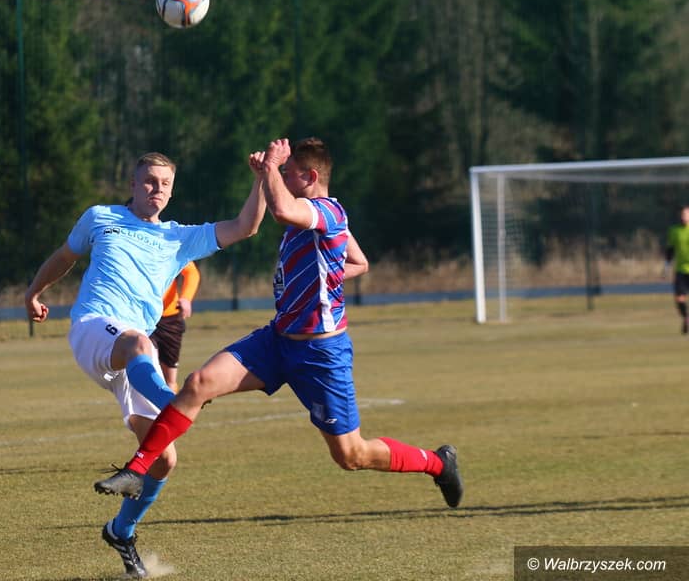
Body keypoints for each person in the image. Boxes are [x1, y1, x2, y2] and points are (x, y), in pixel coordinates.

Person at [94, 138, 464, 521]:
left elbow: (286, 212)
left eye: (289, 174)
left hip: (320, 354)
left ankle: (437, 463)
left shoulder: (326, 211)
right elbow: (358, 261)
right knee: (199, 383)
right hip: (276, 341)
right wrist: (323, 278)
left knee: (351, 454)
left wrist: (270, 166)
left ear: (311, 177)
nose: (283, 180)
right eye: (282, 174)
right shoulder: (313, 219)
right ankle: (137, 469)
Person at [24, 151, 266, 579]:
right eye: (150, 181)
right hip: (94, 328)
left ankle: (121, 531)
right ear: (133, 185)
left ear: (172, 192)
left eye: (165, 184)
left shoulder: (178, 238)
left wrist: (264, 178)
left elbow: (245, 226)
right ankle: (177, 401)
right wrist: (33, 292)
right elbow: (65, 256)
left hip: (137, 352)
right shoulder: (100, 217)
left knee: (164, 458)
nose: (157, 189)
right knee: (139, 344)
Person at [152, 261, 201, 392]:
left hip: (170, 319)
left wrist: (186, 298)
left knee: (170, 380)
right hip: (142, 317)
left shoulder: (170, 249)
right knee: (148, 366)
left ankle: (169, 404)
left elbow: (191, 272)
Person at [665, 204, 689, 334]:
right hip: (680, 270)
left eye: (686, 214)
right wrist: (666, 265)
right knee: (679, 299)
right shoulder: (674, 231)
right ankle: (686, 317)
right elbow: (670, 249)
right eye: (682, 214)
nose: (684, 216)